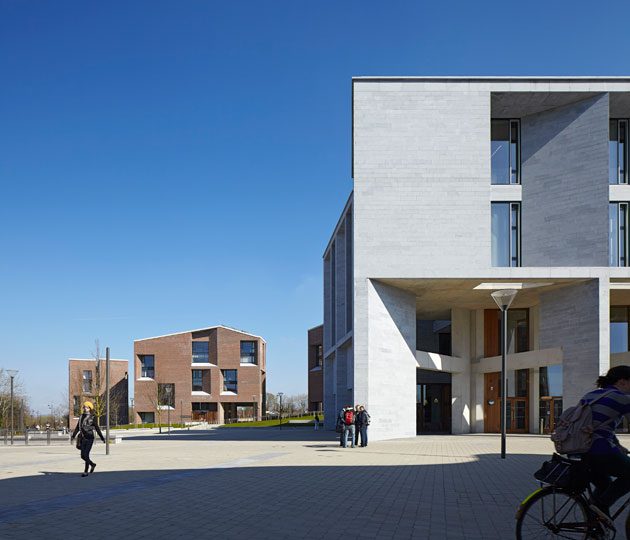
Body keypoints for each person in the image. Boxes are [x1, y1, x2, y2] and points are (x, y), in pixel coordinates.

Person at [580, 366, 630, 519]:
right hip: (600, 450)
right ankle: (600, 506)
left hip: (581, 451)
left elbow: (598, 425)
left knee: (605, 486)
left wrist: (618, 445)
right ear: (622, 381)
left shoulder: (590, 395)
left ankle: (595, 523)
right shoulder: (621, 398)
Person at [71, 401, 105, 477]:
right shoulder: (81, 416)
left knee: (86, 454)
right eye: (84, 407)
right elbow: (77, 428)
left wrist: (102, 438)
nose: (85, 408)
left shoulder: (93, 417)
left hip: (90, 438)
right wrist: (73, 436)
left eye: (86, 407)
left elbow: (97, 428)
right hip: (82, 438)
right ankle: (92, 464)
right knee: (82, 456)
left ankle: (85, 471)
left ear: (90, 408)